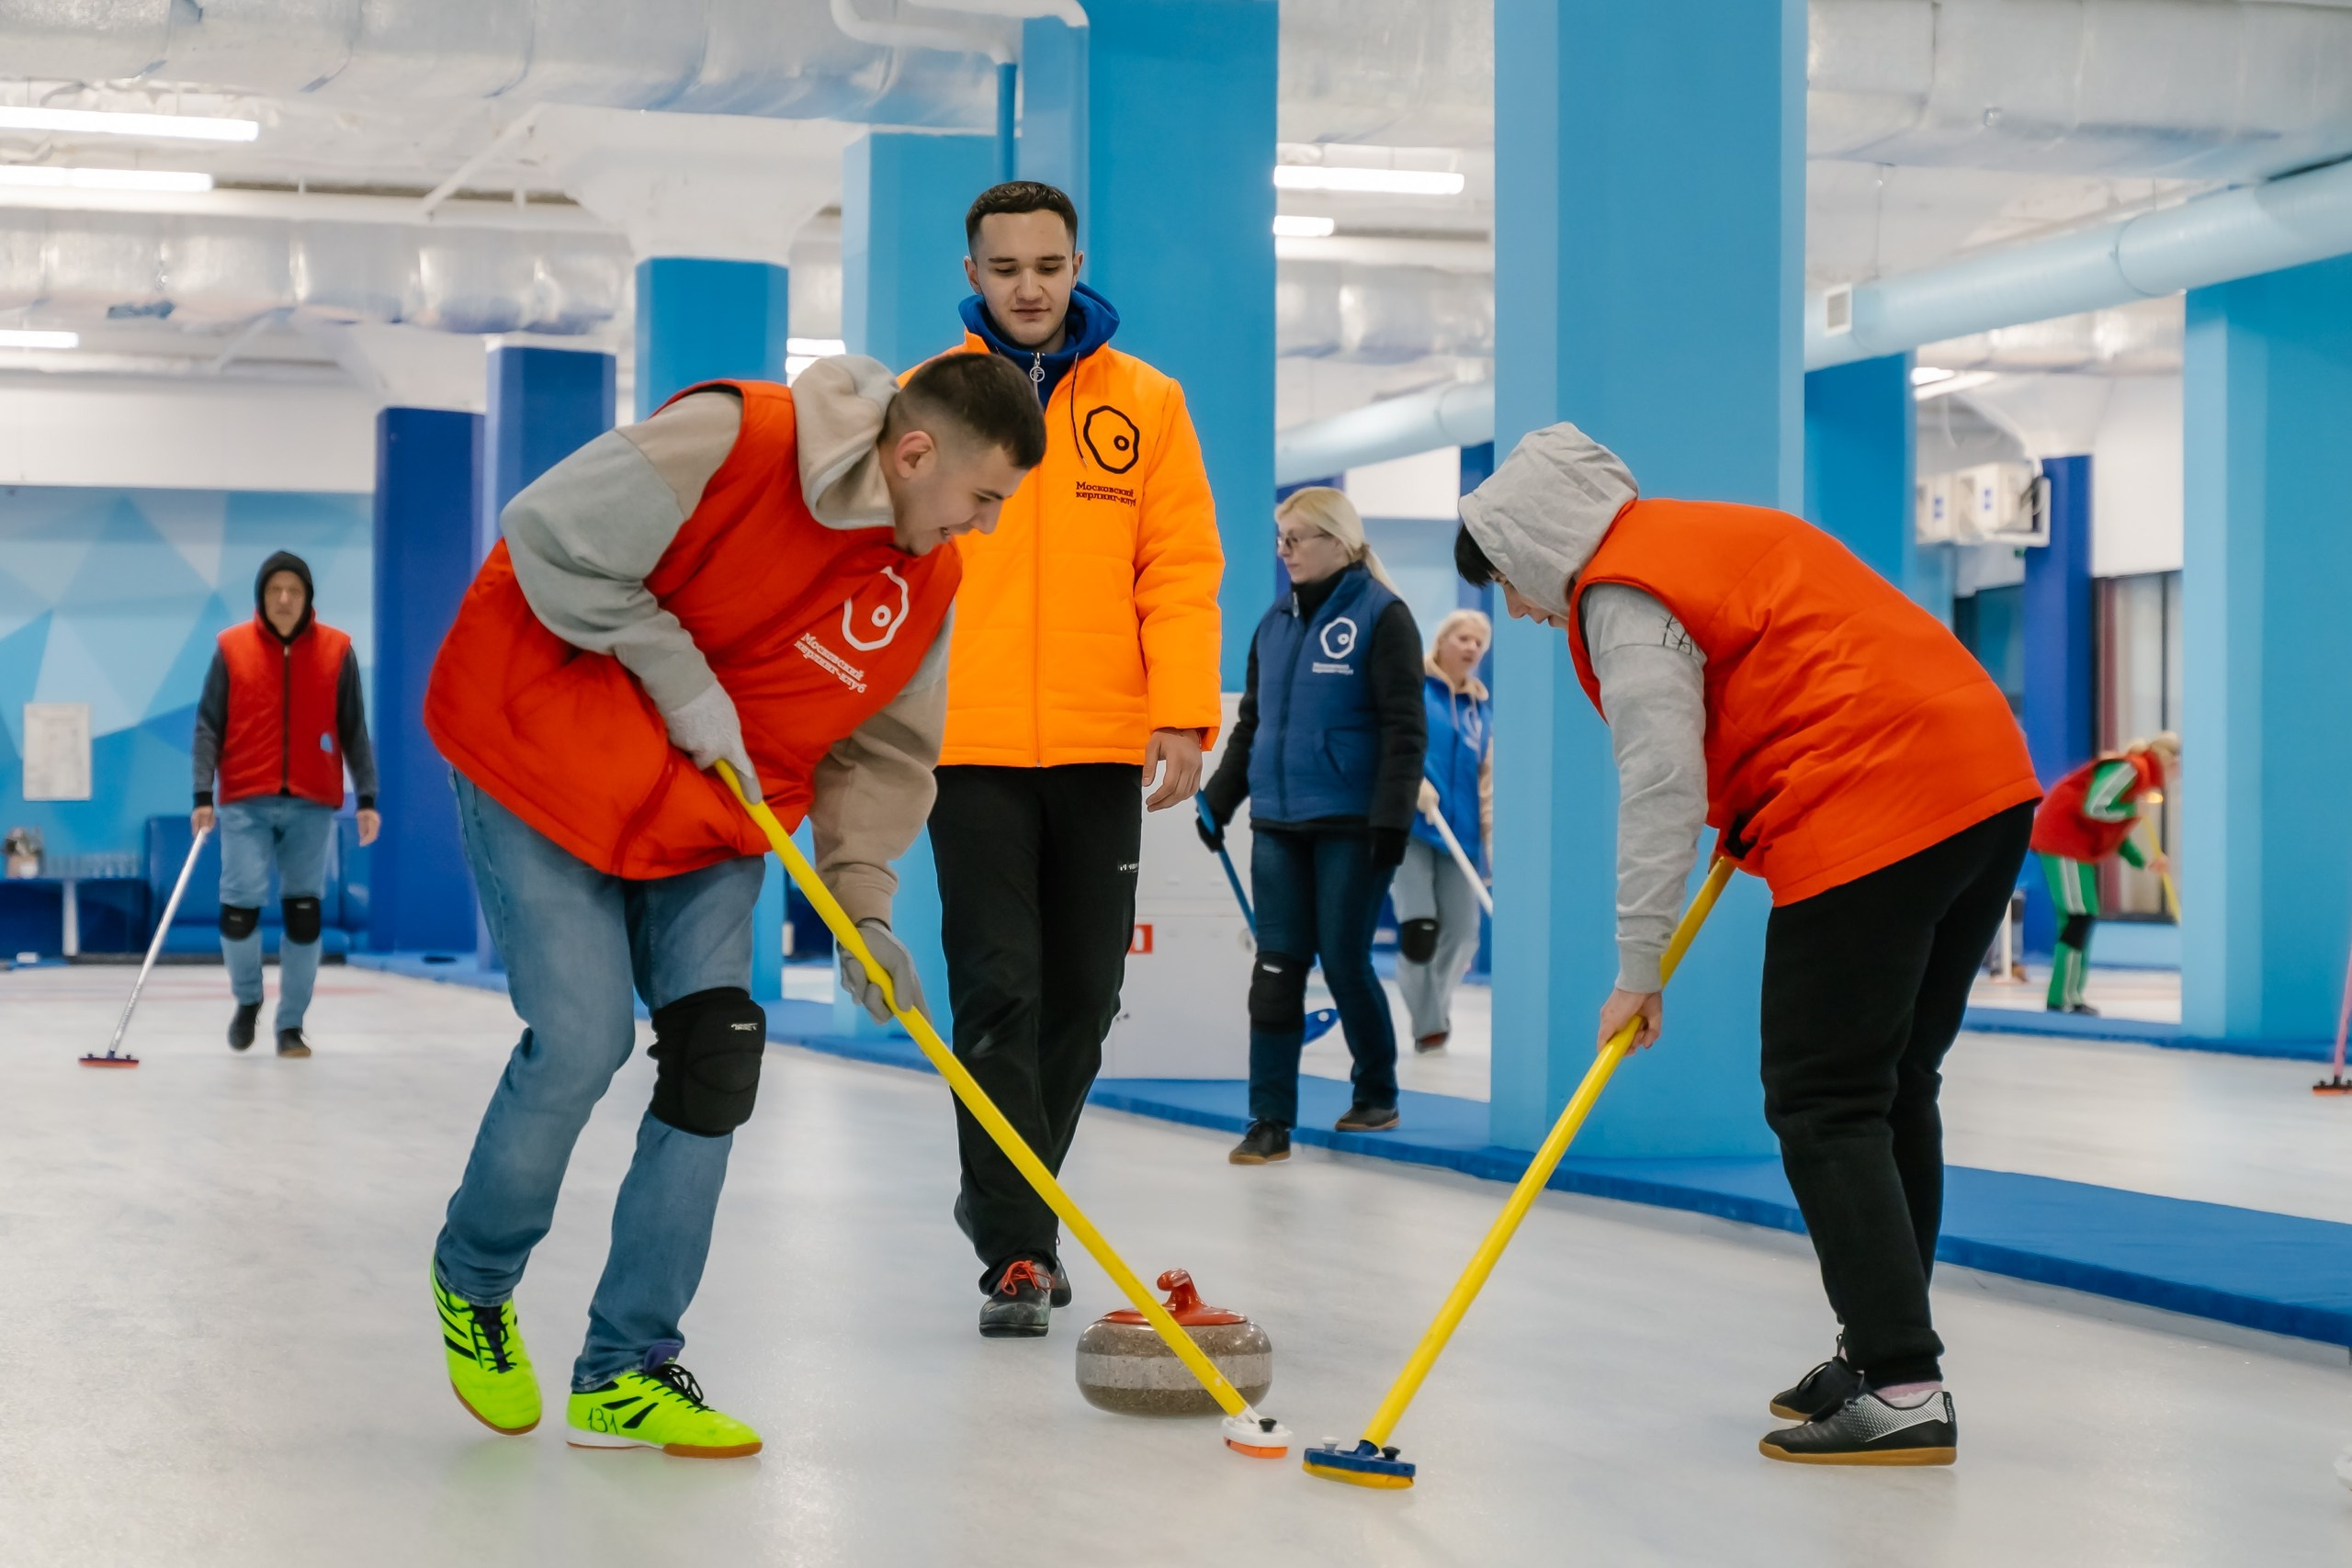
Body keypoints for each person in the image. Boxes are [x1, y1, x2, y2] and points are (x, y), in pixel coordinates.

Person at [419, 353, 1046, 1457]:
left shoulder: (927, 581)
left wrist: (864, 908)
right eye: (982, 499)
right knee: (581, 1041)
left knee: (719, 1054)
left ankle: (625, 1369)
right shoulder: (737, 438)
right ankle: (474, 1279)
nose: (985, 527)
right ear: (913, 454)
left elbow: (880, 750)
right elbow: (546, 531)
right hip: (540, 754)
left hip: (710, 810)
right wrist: (681, 675)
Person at [1453, 423, 2041, 1466]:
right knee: (1896, 1082)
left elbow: (1659, 787)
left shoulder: (1623, 599)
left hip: (1872, 805)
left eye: (1506, 579)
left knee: (1823, 1098)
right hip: (1985, 783)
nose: (1517, 609)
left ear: (1538, 544)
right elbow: (1810, 665)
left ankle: (1902, 1386)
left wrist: (1637, 971)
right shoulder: (1713, 534)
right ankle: (1880, 1350)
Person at [923, 181, 1226, 1338]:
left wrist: (1181, 712)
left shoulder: (1145, 403)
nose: (1029, 288)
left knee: (1085, 1002)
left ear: (1075, 262)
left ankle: (1000, 1192)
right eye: (1005, 269)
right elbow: (896, 563)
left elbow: (1178, 565)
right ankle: (1017, 1249)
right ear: (975, 274)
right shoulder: (932, 397)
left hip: (1104, 742)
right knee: (999, 990)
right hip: (970, 746)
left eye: (1047, 265)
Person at [1201, 488, 1425, 1166]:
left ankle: (1376, 1089)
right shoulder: (1274, 624)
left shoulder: (1384, 618)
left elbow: (1404, 732)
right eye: (1281, 538)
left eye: (1299, 537)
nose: (1286, 550)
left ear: (1342, 541)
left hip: (1352, 824)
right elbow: (1251, 725)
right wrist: (1220, 797)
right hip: (1278, 821)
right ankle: (1269, 1118)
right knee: (1275, 967)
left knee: (1344, 957)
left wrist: (1391, 820)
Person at [190, 551, 379, 1058]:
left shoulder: (337, 650)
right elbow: (209, 724)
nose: (284, 598)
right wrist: (201, 795)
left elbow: (354, 729)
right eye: (275, 589)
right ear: (261, 595)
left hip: (312, 802)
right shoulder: (231, 649)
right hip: (244, 800)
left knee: (303, 913)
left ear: (308, 596)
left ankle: (291, 1024)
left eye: (293, 589)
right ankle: (249, 999)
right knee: (238, 909)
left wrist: (367, 796)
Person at [1396, 607, 1493, 1052]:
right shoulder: (1413, 687)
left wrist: (1488, 843)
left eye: (1479, 642)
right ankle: (1430, 1024)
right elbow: (1389, 738)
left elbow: (1485, 782)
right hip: (1411, 825)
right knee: (1420, 931)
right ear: (1442, 642)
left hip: (1461, 835)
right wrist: (1411, 780)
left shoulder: (1480, 710)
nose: (1471, 647)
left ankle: (1431, 1006)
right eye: (1463, 638)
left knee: (1463, 933)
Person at [2030, 734, 2178, 1015]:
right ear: (2169, 762)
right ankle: (2062, 997)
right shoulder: (2132, 769)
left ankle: (2068, 996)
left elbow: (2114, 832)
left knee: (2079, 920)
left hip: (2076, 848)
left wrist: (2145, 862)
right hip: (2064, 842)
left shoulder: (2141, 782)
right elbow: (2096, 807)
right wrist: (2133, 808)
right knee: (2079, 917)